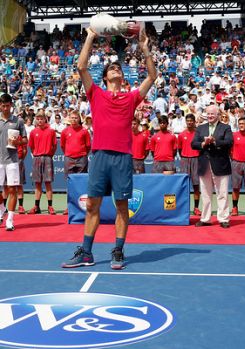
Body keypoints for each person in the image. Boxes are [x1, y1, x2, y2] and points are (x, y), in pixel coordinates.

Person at [62, 27, 156, 270]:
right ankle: (86, 252)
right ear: (105, 77)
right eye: (111, 68)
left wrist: (145, 49)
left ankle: (118, 250)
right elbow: (81, 67)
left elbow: (152, 77)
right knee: (92, 205)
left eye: (119, 68)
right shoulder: (96, 94)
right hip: (100, 156)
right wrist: (91, 36)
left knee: (122, 206)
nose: (116, 69)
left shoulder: (131, 97)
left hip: (122, 158)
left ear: (122, 78)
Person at [191, 104, 233, 228]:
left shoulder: (226, 127)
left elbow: (229, 142)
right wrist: (204, 143)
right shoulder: (200, 128)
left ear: (217, 115)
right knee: (205, 193)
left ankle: (223, 218)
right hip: (204, 164)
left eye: (212, 114)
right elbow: (193, 144)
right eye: (208, 114)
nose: (210, 116)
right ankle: (205, 218)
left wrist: (214, 141)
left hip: (220, 163)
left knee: (222, 193)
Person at [0, 93, 27, 230]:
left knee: (12, 190)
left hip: (12, 161)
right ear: (0, 105)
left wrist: (18, 142)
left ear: (11, 105)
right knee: (1, 191)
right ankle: (2, 208)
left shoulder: (18, 121)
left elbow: (25, 140)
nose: (5, 108)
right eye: (3, 106)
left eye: (7, 105)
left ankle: (10, 220)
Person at [60, 110, 91, 215]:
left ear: (79, 119)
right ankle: (69, 207)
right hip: (69, 158)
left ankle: (82, 207)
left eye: (75, 118)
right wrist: (69, 154)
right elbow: (63, 146)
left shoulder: (84, 131)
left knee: (82, 183)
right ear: (69, 119)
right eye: (72, 118)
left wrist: (82, 154)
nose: (73, 120)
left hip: (82, 158)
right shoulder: (65, 131)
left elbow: (88, 146)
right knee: (70, 184)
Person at [28, 113, 57, 215]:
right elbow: (31, 147)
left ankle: (50, 206)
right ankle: (36, 206)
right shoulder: (33, 132)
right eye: (38, 119)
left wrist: (49, 155)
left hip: (47, 158)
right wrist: (37, 155)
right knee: (37, 183)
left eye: (42, 119)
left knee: (48, 183)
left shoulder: (51, 131)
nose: (40, 121)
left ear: (45, 120)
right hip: (36, 158)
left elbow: (54, 146)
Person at [177, 113, 201, 216]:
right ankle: (184, 208)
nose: (189, 122)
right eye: (188, 121)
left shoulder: (198, 134)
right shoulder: (182, 135)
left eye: (191, 120)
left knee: (196, 185)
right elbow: (179, 149)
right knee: (184, 186)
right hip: (185, 160)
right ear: (186, 122)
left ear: (194, 121)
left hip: (196, 159)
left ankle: (196, 207)